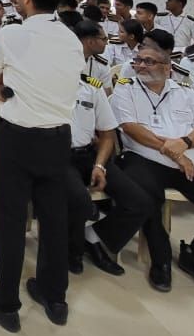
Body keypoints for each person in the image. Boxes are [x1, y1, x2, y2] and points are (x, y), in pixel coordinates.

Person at [0, 0, 84, 333]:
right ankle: (55, 296)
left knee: (10, 218)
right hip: (58, 137)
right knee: (53, 216)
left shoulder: (11, 34)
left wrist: (4, 88)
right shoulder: (71, 39)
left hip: (18, 137)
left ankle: (6, 301)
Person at [110, 41, 194, 297]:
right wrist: (173, 151)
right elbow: (131, 128)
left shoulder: (185, 92)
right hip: (143, 158)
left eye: (149, 61)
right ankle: (160, 258)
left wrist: (184, 145)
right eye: (138, 61)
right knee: (147, 198)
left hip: (191, 162)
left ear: (168, 67)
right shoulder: (125, 89)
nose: (140, 66)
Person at [65, 70, 153, 277]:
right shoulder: (41, 85)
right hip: (58, 158)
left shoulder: (91, 88)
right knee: (79, 199)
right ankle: (72, 251)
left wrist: (100, 166)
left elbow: (107, 135)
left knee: (140, 203)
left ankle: (93, 236)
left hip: (89, 156)